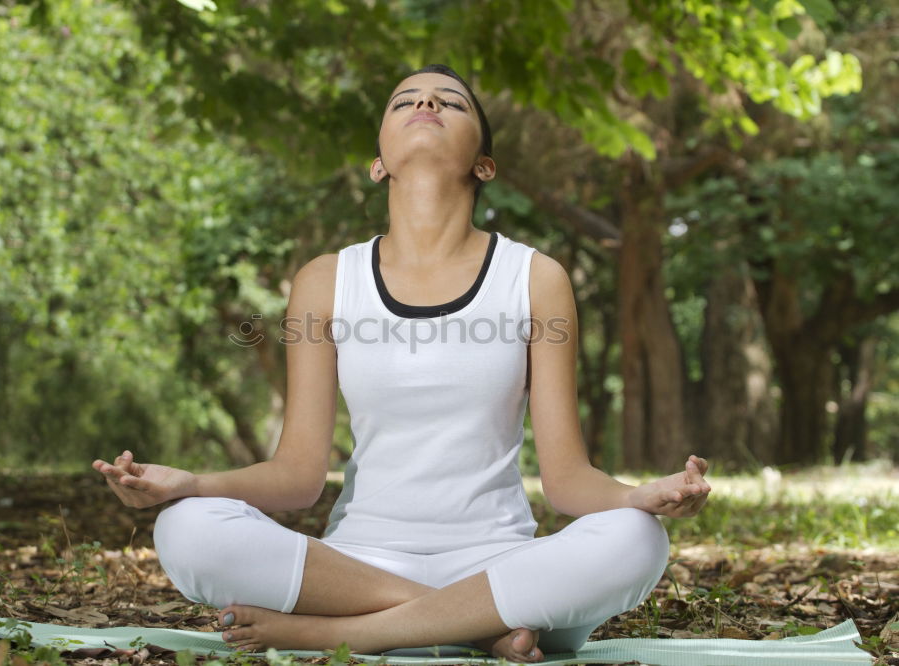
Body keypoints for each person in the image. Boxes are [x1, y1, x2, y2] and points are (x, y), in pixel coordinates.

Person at [92, 64, 711, 663]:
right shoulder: (328, 280)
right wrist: (192, 485)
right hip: (359, 568)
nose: (427, 105)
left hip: (501, 570)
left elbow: (568, 480)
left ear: (484, 164)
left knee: (634, 540)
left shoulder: (534, 278)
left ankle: (346, 635)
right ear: (378, 163)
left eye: (452, 101)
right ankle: (475, 632)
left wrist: (639, 496)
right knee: (186, 528)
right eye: (405, 100)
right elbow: (299, 474)